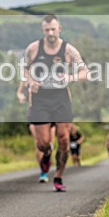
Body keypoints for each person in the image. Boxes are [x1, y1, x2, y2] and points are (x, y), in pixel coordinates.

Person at [20, 15, 88, 192]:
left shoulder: (69, 50)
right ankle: (47, 155)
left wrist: (70, 77)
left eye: (53, 29)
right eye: (47, 30)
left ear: (60, 29)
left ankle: (58, 176)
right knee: (43, 143)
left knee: (64, 139)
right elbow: (24, 69)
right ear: (43, 31)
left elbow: (84, 72)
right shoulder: (34, 49)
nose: (50, 33)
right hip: (40, 98)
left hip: (61, 98)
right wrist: (30, 81)